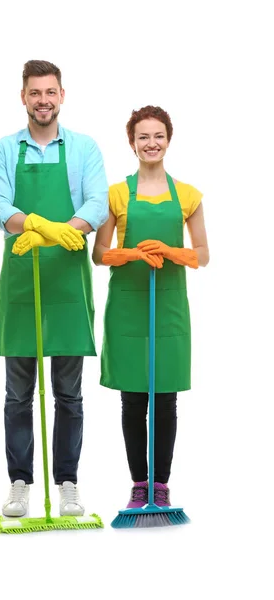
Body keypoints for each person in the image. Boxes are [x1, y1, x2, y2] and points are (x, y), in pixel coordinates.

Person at [0, 60, 108, 518]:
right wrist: (34, 224)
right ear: (23, 97)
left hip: (68, 280)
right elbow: (1, 206)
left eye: (50, 92)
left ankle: (69, 482)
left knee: (68, 393)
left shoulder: (83, 148)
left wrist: (58, 231)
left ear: (62, 95)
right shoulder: (2, 149)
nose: (43, 100)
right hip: (22, 277)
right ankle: (19, 482)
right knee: (18, 393)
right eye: (34, 92)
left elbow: (96, 202)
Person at [92, 105, 209, 509]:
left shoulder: (189, 196)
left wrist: (172, 251)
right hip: (128, 306)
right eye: (143, 136)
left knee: (165, 399)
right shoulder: (116, 194)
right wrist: (134, 255)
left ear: (168, 139)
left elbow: (203, 255)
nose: (151, 143)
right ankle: (138, 483)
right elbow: (100, 253)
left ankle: (161, 485)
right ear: (132, 143)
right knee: (132, 399)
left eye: (158, 135)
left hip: (170, 307)